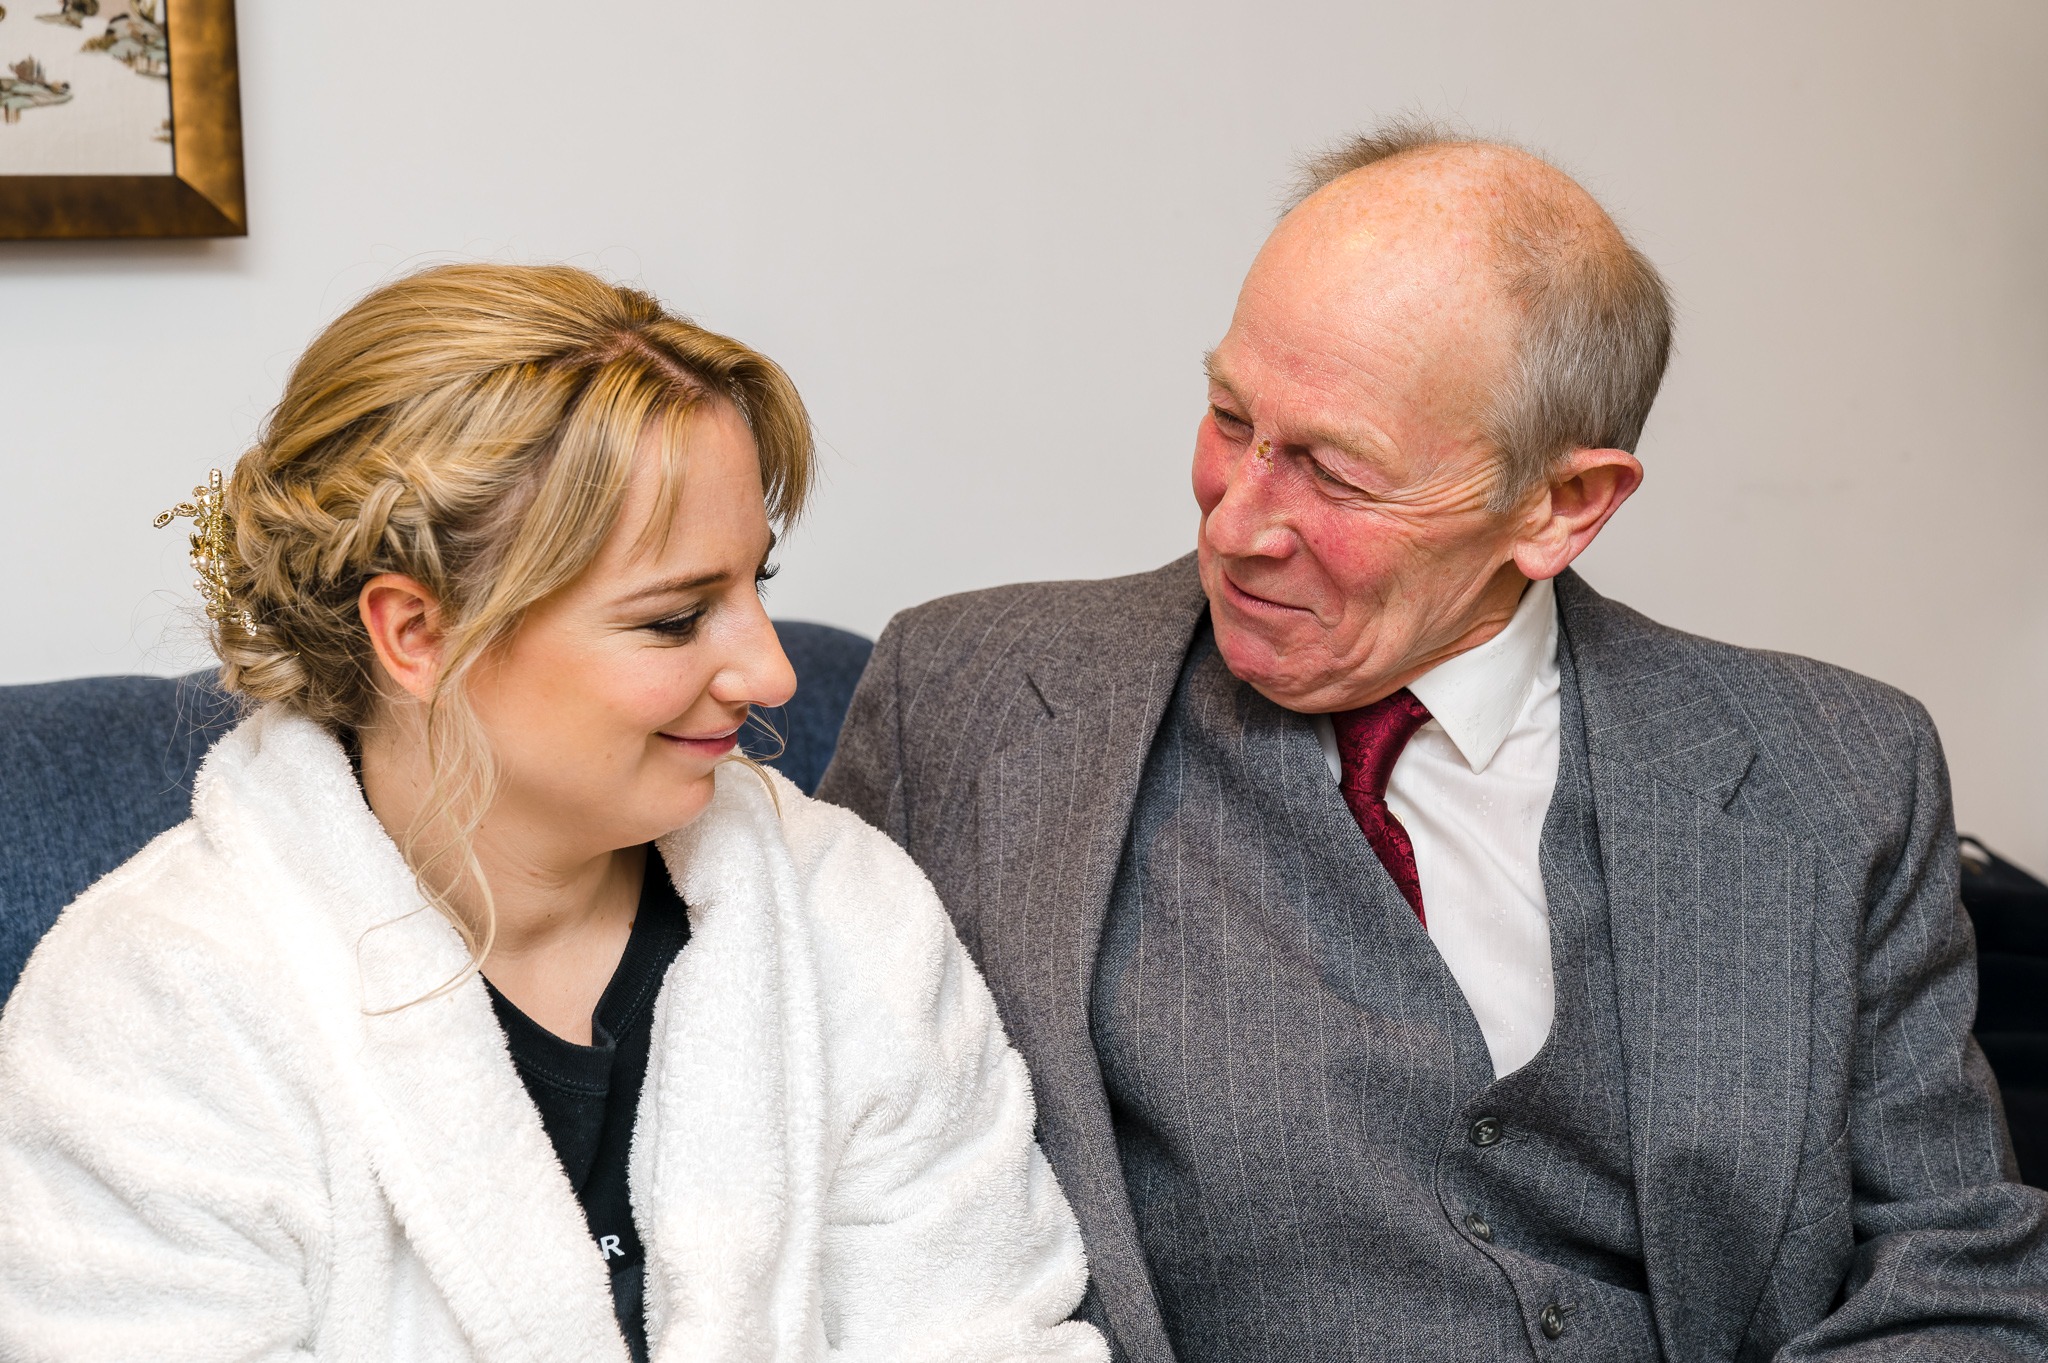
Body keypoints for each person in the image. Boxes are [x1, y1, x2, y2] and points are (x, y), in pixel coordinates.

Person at [818, 121, 2048, 1360]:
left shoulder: (1838, 768)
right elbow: (817, 1207)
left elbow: (1957, 1277)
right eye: (1230, 417)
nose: (1239, 523)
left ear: (1563, 505)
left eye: (1334, 474)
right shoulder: (966, 704)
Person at [0, 264, 1106, 1363]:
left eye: (754, 584)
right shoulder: (158, 1004)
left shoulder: (843, 910)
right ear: (415, 633)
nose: (772, 674)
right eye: (676, 619)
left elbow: (986, 1333)